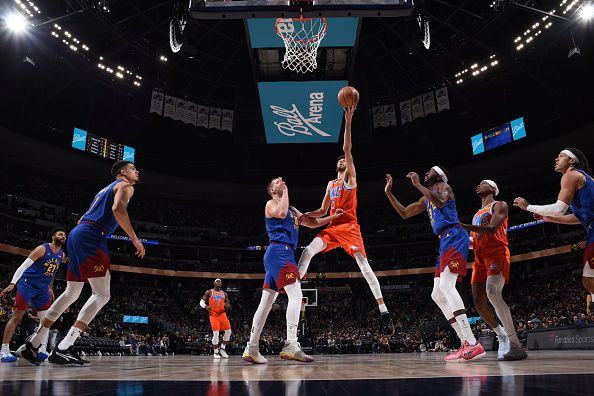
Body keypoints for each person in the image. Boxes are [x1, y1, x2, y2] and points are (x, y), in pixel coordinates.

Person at [20, 160, 145, 366]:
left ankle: (34, 342)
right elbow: (118, 210)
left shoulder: (103, 190)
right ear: (123, 172)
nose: (137, 172)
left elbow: (81, 220)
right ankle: (64, 347)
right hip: (92, 236)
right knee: (102, 294)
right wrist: (134, 238)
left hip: (78, 234)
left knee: (72, 292)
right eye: (133, 169)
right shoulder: (125, 186)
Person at [297, 106, 395, 336]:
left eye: (345, 160)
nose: (342, 160)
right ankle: (294, 283)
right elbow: (322, 210)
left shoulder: (350, 179)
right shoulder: (331, 184)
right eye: (340, 160)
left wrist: (348, 121)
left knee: (365, 267)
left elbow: (347, 148)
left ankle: (384, 312)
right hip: (332, 228)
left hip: (350, 228)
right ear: (336, 165)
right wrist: (304, 215)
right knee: (307, 251)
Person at [384, 167, 485, 362]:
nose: (426, 172)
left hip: (455, 235)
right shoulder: (425, 198)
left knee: (447, 286)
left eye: (431, 171)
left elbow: (438, 202)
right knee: (436, 294)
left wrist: (417, 185)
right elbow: (404, 213)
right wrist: (389, 192)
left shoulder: (444, 186)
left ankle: (472, 343)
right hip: (444, 240)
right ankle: (464, 341)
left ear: (438, 175)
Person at [242, 177, 344, 364]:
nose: (283, 182)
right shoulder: (271, 204)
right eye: (278, 182)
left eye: (283, 181)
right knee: (296, 295)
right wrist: (286, 190)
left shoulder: (293, 209)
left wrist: (332, 217)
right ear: (273, 190)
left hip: (283, 255)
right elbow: (280, 213)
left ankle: (251, 348)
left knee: (265, 303)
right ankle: (291, 344)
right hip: (279, 251)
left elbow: (312, 223)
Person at [514, 148, 594, 307]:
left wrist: (528, 206)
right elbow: (578, 218)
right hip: (591, 228)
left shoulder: (570, 175)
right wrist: (549, 219)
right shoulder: (583, 179)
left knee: (588, 278)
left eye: (561, 156)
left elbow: (559, 208)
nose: (556, 159)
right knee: (588, 279)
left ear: (572, 160)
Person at [461, 180, 527, 361]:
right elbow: (475, 241)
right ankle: (502, 334)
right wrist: (458, 238)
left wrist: (464, 227)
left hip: (496, 251)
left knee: (493, 293)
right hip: (479, 255)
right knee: (478, 301)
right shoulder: (476, 214)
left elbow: (491, 229)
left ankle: (516, 345)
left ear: (492, 188)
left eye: (482, 183)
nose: (478, 185)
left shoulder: (500, 205)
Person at [0, 228, 67, 363]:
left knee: (46, 321)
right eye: (60, 234)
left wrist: (50, 287)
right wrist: (13, 283)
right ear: (53, 236)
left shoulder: (62, 254)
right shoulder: (42, 249)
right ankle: (4, 350)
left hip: (43, 289)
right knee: (17, 317)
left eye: (65, 235)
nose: (63, 236)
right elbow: (23, 266)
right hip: (28, 284)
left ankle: (41, 349)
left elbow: (52, 272)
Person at [200, 278, 232, 359]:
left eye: (220, 281)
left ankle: (222, 348)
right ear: (214, 283)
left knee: (229, 331)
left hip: (222, 314)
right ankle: (216, 351)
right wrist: (206, 306)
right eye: (217, 281)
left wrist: (228, 305)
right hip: (213, 314)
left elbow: (227, 302)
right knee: (216, 333)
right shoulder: (209, 292)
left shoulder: (224, 293)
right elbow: (201, 302)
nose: (219, 282)